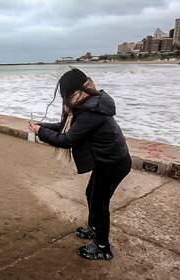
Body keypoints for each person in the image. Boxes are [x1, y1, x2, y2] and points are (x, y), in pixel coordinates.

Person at [28, 68, 131, 260]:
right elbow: (64, 128)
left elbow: (67, 139)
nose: (63, 99)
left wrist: (40, 132)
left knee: (99, 203)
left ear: (74, 91)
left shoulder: (90, 111)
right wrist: (40, 128)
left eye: (64, 94)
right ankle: (94, 228)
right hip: (107, 161)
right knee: (91, 195)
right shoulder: (88, 103)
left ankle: (102, 247)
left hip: (113, 164)